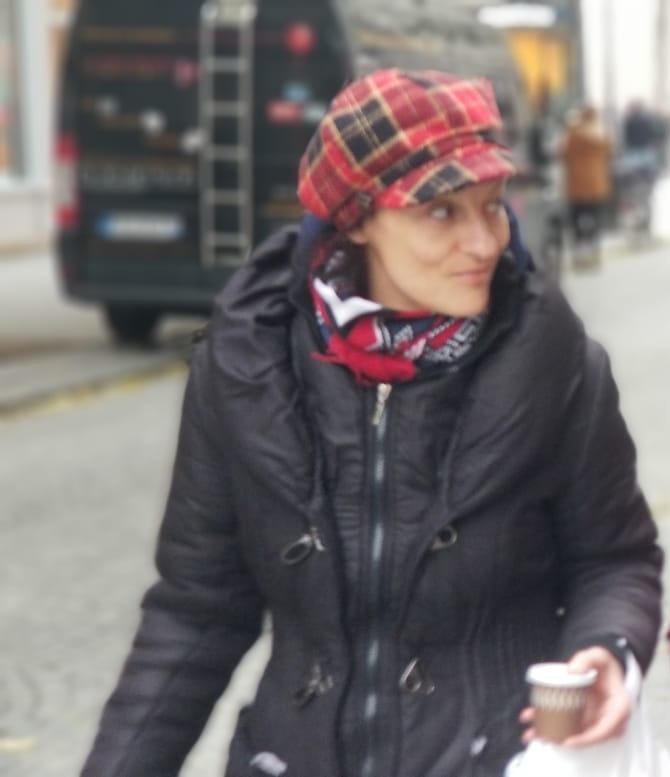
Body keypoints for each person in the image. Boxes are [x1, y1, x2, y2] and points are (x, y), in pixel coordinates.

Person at [80, 69, 662, 777]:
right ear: (354, 220)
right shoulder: (245, 367)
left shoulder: (556, 362)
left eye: (492, 205)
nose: (484, 242)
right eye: (441, 211)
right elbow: (197, 610)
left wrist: (610, 648)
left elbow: (614, 559)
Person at [558, 104, 613, 268]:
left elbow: (562, 154)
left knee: (576, 220)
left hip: (576, 185)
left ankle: (579, 253)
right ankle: (594, 251)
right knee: (596, 218)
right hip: (597, 184)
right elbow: (610, 154)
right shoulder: (602, 133)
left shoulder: (572, 132)